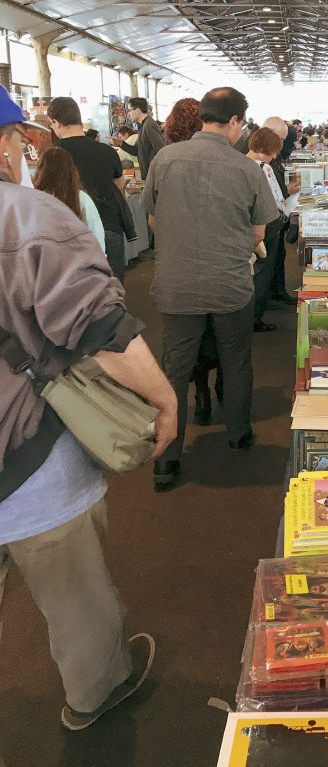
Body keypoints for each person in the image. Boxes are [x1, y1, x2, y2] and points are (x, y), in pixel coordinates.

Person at [0, 86, 177, 733]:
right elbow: (98, 329)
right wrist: (162, 397)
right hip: (27, 458)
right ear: (7, 142)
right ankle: (96, 694)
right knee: (73, 593)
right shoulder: (27, 217)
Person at [141, 87, 278, 491]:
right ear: (235, 121)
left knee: (174, 370)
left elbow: (152, 221)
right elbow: (259, 230)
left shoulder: (165, 158)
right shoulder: (246, 169)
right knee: (235, 360)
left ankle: (166, 460)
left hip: (176, 285)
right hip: (230, 284)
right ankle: (238, 434)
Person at [162, 98, 224, 426]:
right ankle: (228, 406)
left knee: (181, 354)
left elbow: (155, 221)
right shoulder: (227, 159)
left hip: (178, 270)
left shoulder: (164, 159)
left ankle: (194, 401)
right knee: (224, 340)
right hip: (220, 267)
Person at [48, 96, 135, 281]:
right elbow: (119, 186)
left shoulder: (52, 154)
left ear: (56, 122)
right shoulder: (107, 151)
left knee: (80, 292)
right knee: (113, 288)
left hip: (71, 232)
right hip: (110, 225)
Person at [247, 127, 300, 332]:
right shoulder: (263, 168)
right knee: (263, 270)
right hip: (267, 225)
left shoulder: (242, 164)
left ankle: (252, 313)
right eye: (275, 151)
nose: (276, 156)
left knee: (255, 270)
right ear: (268, 149)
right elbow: (275, 198)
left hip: (249, 224)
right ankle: (255, 318)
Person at [33, 146, 106, 252]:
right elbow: (97, 239)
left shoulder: (33, 198)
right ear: (71, 169)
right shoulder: (81, 199)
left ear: (40, 170)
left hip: (43, 262)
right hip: (78, 261)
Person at [262, 116, 301, 306]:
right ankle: (267, 298)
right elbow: (265, 189)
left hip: (278, 215)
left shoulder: (270, 153)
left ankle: (277, 291)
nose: (283, 143)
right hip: (268, 217)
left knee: (278, 256)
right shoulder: (259, 156)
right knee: (267, 261)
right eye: (281, 138)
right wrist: (287, 191)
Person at [125, 97, 166, 179]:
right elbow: (136, 151)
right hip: (148, 175)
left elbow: (161, 149)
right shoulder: (142, 126)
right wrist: (121, 144)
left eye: (129, 110)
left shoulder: (148, 125)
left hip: (153, 176)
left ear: (137, 110)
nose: (128, 114)